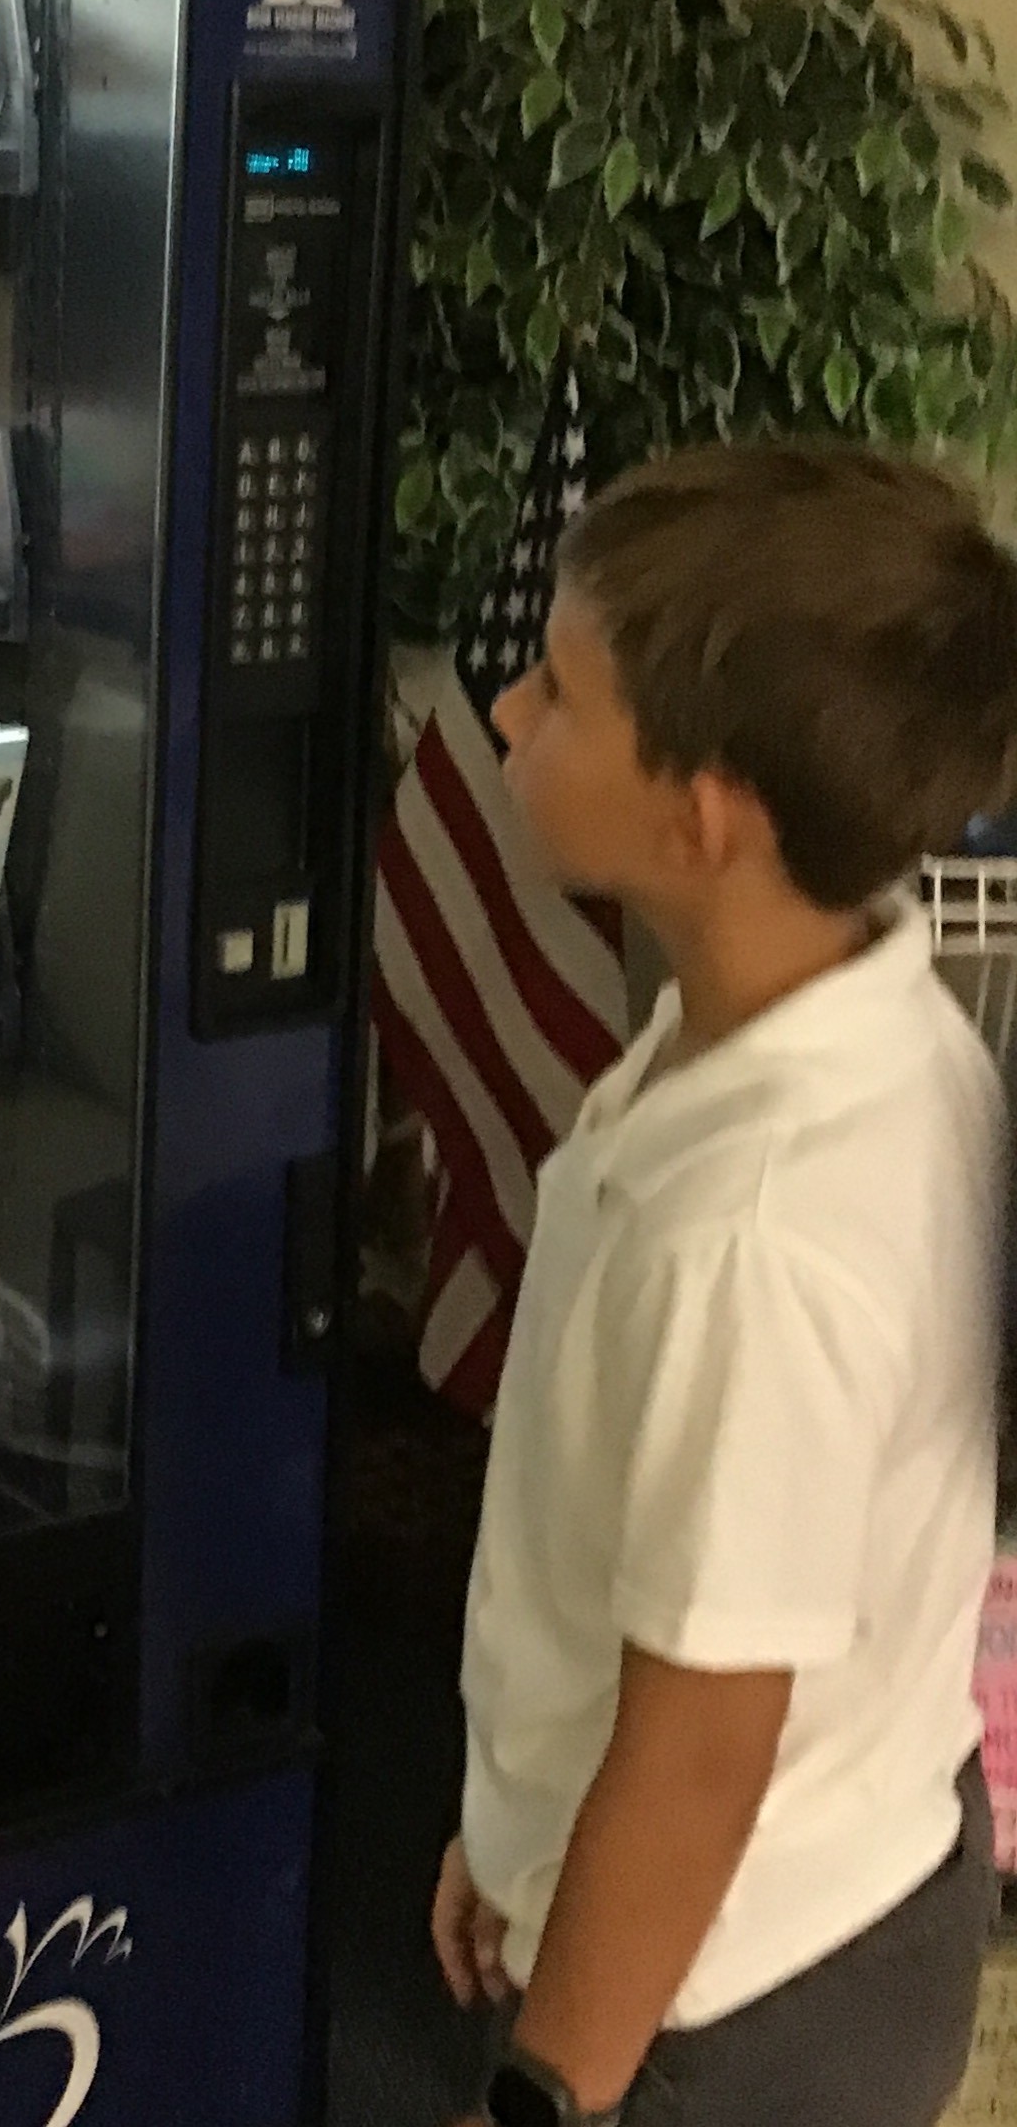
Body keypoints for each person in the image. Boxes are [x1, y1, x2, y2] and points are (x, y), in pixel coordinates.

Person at [431, 442, 1017, 2127]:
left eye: (556, 693)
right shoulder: (861, 1015)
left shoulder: (757, 1235)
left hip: (723, 2017)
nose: (506, 722)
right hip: (853, 1879)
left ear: (704, 815)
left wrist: (550, 2095)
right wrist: (513, 1833)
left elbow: (699, 1757)